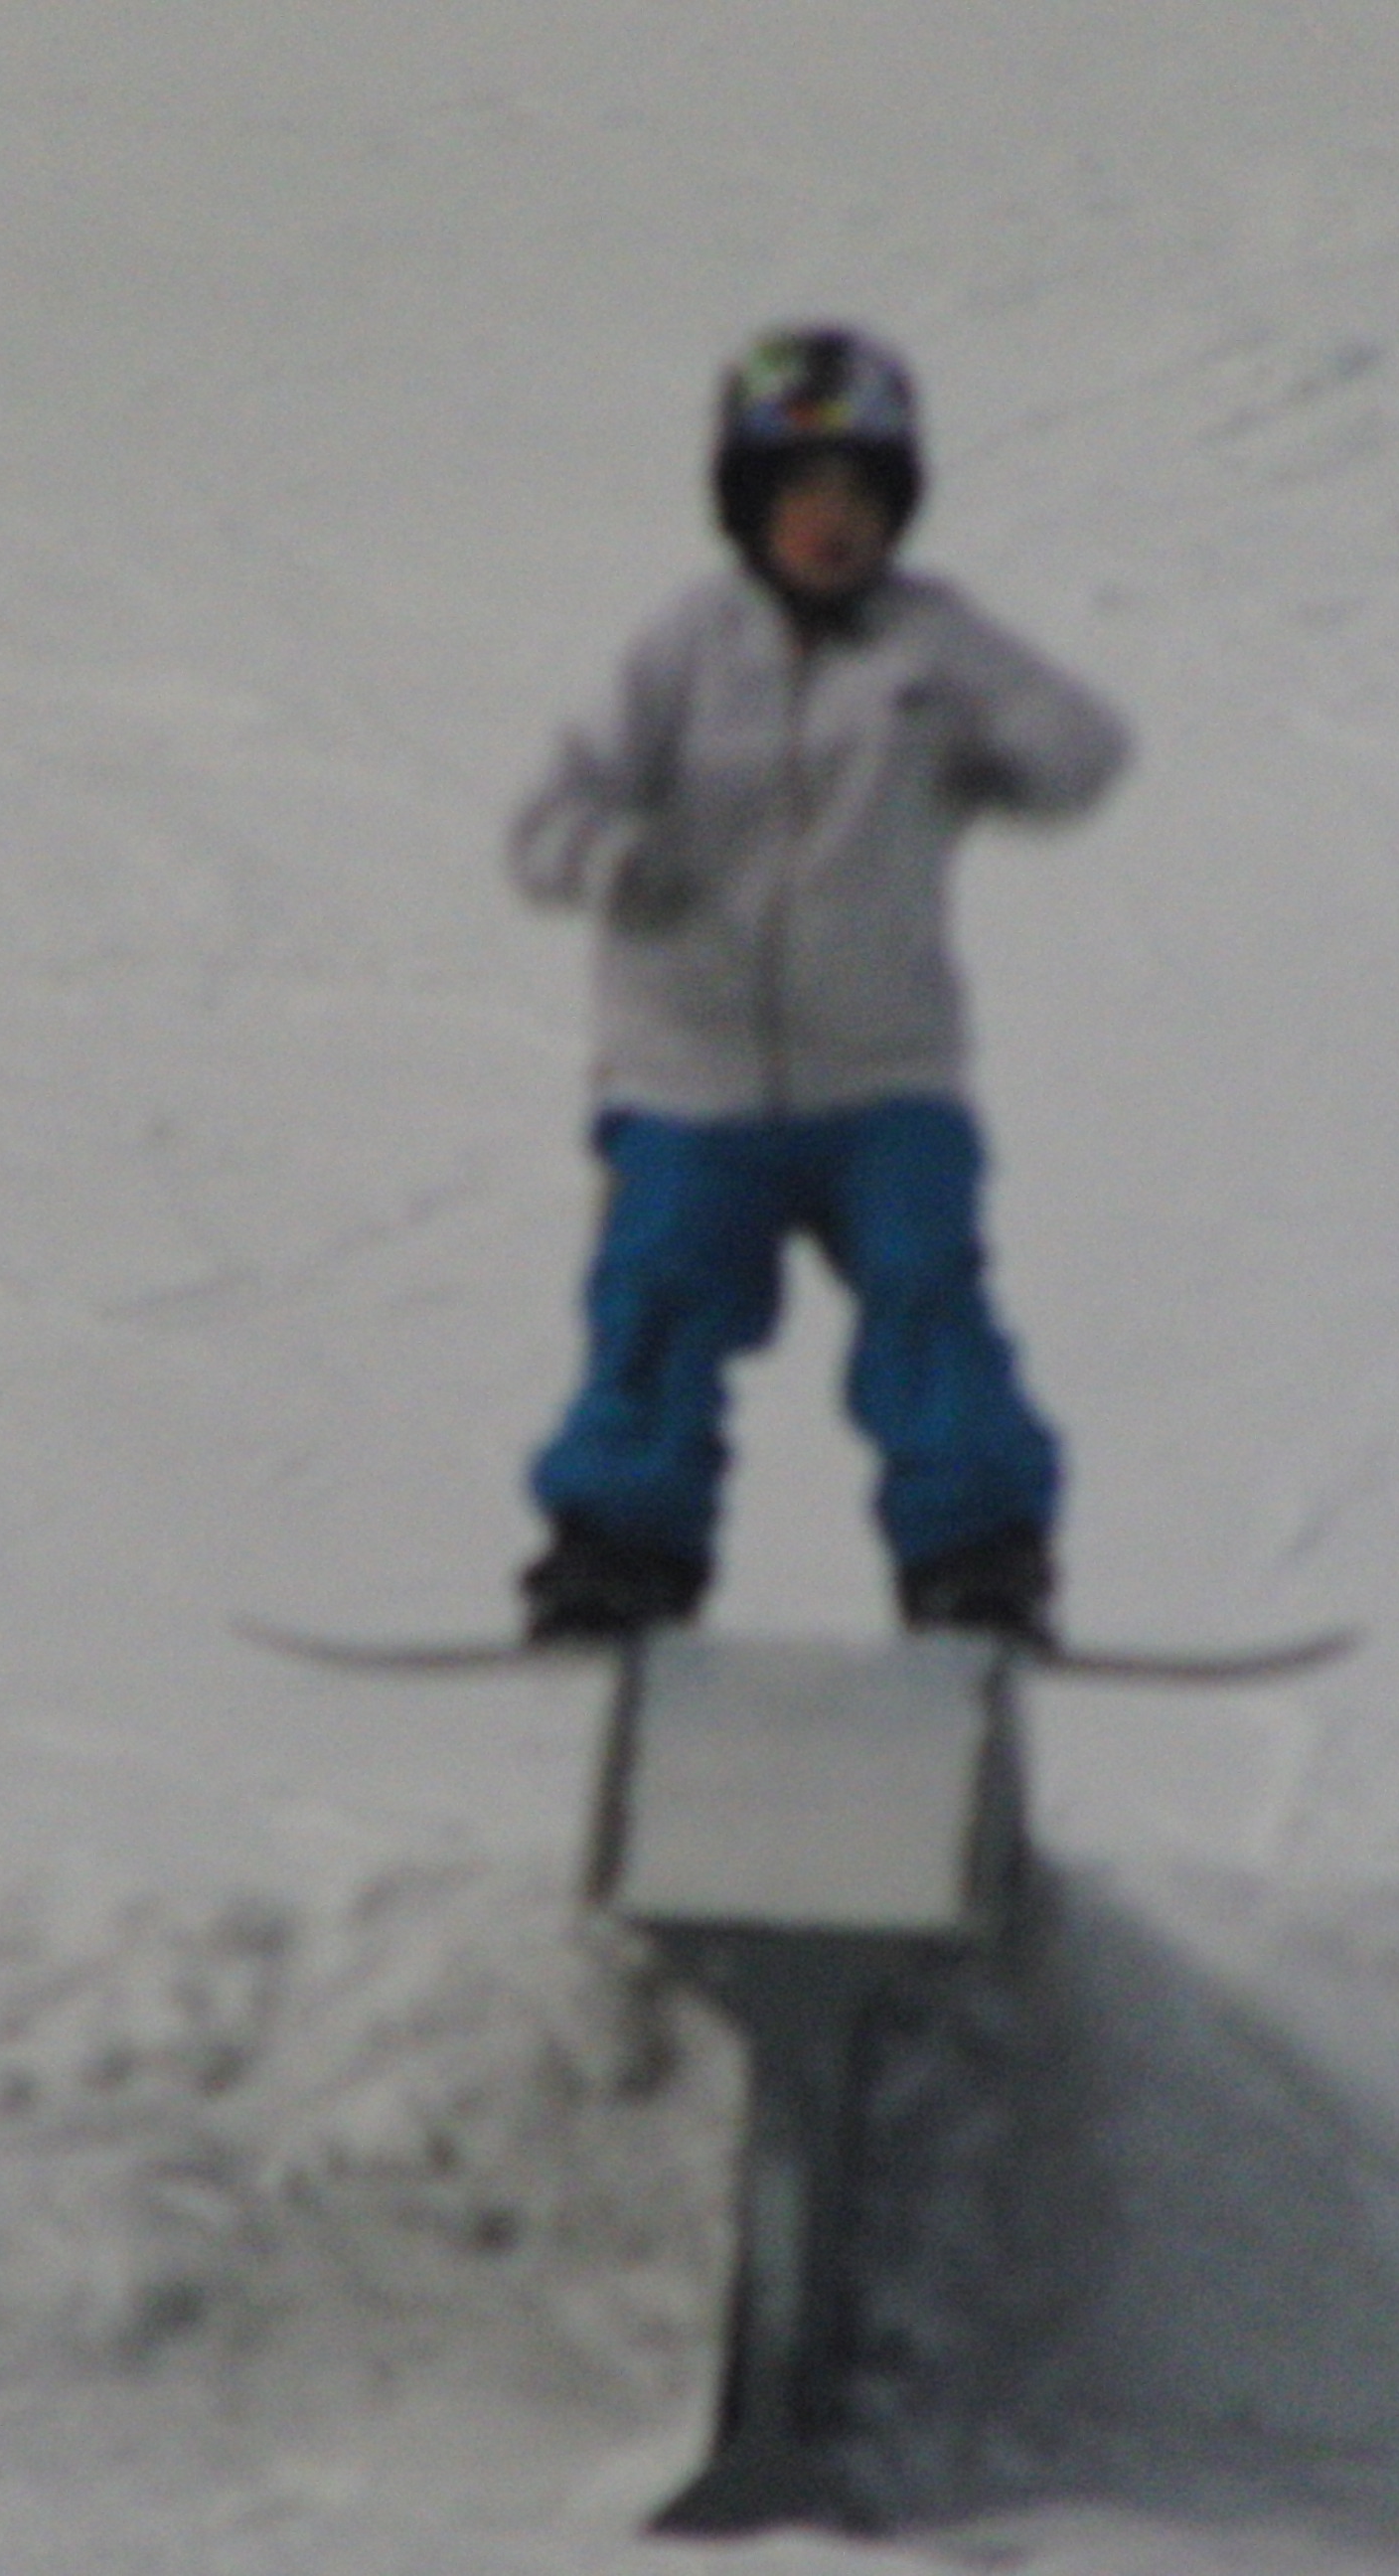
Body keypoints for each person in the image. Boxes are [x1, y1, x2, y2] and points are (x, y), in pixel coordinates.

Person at [506, 323, 1130, 1644]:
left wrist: (986, 730)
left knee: (928, 1295)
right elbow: (547, 820)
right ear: (746, 507)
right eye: (798, 495)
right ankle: (618, 1547)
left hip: (883, 1073)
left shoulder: (928, 640)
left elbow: (1079, 747)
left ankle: (976, 1555)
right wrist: (625, 858)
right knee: (661, 1299)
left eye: (858, 497)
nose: (829, 525)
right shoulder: (684, 644)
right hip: (690, 1077)